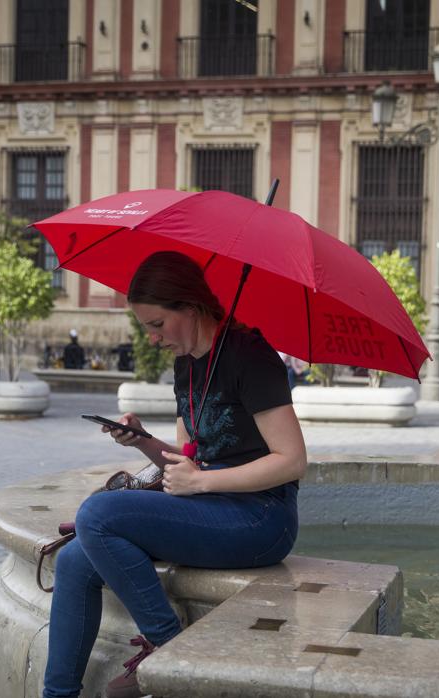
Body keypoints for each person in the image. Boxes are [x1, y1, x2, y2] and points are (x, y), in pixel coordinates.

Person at [42, 251, 307, 698]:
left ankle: (171, 649)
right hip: (209, 508)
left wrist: (201, 482)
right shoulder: (186, 364)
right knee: (73, 560)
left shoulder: (251, 356)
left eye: (157, 324)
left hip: (262, 518)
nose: (150, 337)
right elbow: (187, 460)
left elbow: (292, 459)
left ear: (189, 306)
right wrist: (142, 440)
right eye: (146, 327)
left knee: (97, 515)